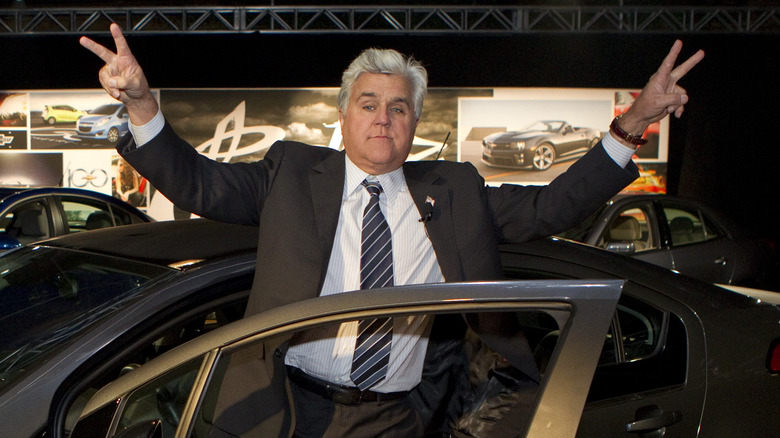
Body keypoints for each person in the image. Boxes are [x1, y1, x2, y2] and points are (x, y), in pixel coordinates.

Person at [80, 24, 703, 437]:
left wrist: (636, 121)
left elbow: (553, 207)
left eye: (399, 107)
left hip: (401, 419)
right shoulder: (291, 175)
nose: (384, 118)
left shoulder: (455, 192)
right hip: (288, 408)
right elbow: (200, 184)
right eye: (370, 104)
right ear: (344, 115)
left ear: (414, 123)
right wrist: (141, 105)